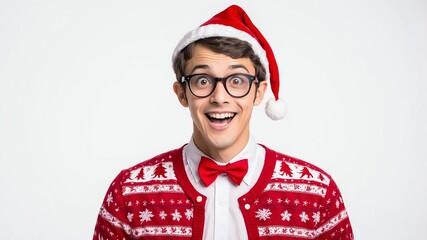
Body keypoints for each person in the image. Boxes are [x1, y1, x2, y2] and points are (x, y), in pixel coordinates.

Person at [93, 5, 353, 240]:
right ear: (182, 93)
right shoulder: (130, 192)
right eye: (203, 81)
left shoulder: (317, 192)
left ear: (259, 92)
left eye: (237, 80)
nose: (220, 98)